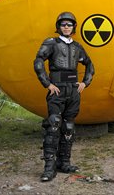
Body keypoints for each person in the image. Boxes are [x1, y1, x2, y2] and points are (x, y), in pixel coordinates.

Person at [34, 11, 95, 182]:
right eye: (63, 24)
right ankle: (49, 167)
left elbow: (89, 64)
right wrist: (47, 84)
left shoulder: (77, 47)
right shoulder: (51, 43)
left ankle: (64, 162)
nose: (66, 27)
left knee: (68, 127)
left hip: (73, 91)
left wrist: (84, 83)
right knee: (53, 125)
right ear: (58, 27)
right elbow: (38, 61)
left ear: (73, 27)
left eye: (69, 24)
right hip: (57, 90)